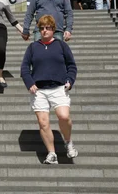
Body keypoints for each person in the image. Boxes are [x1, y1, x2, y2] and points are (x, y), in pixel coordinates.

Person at [20, 15, 78, 164]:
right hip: (39, 90)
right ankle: (51, 153)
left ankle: (68, 141)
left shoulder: (61, 45)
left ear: (53, 29)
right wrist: (29, 83)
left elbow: (72, 65)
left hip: (59, 88)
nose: (44, 31)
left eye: (48, 28)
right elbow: (25, 68)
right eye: (42, 28)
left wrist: (70, 81)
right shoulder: (33, 47)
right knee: (43, 122)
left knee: (64, 116)